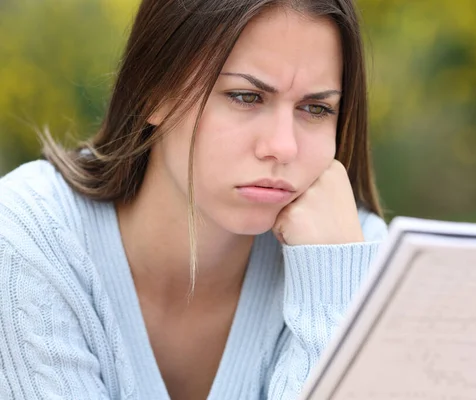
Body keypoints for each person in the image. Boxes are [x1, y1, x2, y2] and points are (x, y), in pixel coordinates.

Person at [0, 0, 387, 399]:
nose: (282, 147)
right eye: (246, 97)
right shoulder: (31, 235)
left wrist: (334, 291)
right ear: (154, 91)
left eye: (316, 108)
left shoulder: (357, 258)